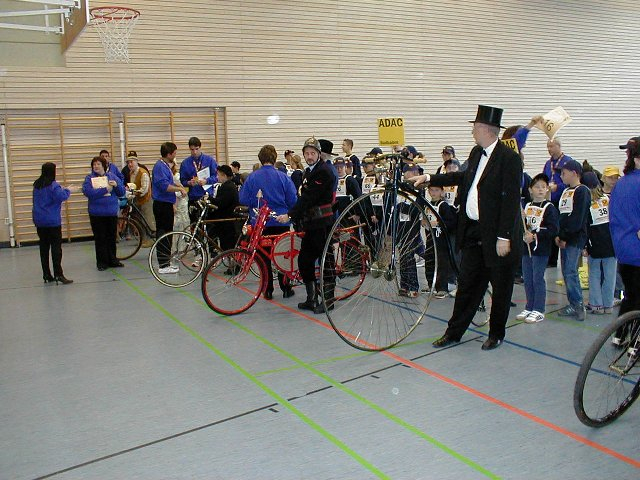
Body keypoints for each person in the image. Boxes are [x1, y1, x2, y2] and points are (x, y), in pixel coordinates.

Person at [413, 105, 523, 350]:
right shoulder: (476, 153)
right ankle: (454, 332)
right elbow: (461, 178)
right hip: (474, 232)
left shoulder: (510, 158)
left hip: (497, 234)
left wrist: (504, 236)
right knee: (467, 286)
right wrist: (430, 178)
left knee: (501, 287)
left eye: (475, 127)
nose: (472, 131)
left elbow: (511, 200)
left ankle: (496, 334)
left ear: (486, 129)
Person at [276, 137, 335, 313]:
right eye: (307, 153)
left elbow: (309, 198)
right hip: (311, 223)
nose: (309, 156)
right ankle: (311, 298)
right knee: (304, 260)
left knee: (326, 261)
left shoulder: (323, 172)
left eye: (312, 153)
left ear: (318, 154)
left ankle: (328, 300)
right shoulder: (309, 172)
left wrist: (290, 215)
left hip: (322, 223)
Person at [241, 145, 298, 299]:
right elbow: (293, 200)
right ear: (274, 158)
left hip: (260, 223)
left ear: (260, 158)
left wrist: (256, 202)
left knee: (263, 258)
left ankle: (267, 289)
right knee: (283, 256)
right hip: (280, 222)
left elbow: (243, 198)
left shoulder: (252, 177)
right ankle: (286, 288)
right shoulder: (283, 177)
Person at [517, 174, 559, 323]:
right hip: (526, 248)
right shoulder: (527, 206)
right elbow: (524, 226)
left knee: (537, 278)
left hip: (541, 250)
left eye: (543, 187)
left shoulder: (550, 208)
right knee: (528, 278)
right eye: (537, 187)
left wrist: (535, 235)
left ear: (547, 189)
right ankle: (529, 306)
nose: (540, 190)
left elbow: (553, 229)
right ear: (530, 190)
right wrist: (522, 222)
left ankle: (539, 309)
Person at [555, 160, 590, 321]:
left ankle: (578, 304)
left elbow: (577, 218)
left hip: (574, 239)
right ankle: (572, 303)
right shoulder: (565, 191)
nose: (561, 176)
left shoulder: (582, 191)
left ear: (574, 173)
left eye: (564, 173)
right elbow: (561, 216)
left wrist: (565, 236)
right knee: (566, 272)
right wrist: (558, 235)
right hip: (564, 238)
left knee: (571, 271)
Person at [609, 137, 640, 324]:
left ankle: (620, 334)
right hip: (636, 250)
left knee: (631, 297)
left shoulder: (621, 183)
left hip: (623, 248)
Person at [32, 162, 78, 284]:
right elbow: (61, 197)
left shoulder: (37, 185)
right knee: (56, 248)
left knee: (44, 247)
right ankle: (58, 274)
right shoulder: (53, 185)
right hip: (52, 221)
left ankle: (46, 274)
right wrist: (68, 190)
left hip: (39, 220)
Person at [581, 171, 616, 315]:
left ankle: (596, 304)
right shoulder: (607, 199)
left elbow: (584, 226)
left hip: (594, 243)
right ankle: (608, 305)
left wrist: (584, 245)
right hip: (611, 242)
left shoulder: (586, 203)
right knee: (610, 275)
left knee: (594, 274)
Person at [82, 156, 125, 271]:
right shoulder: (89, 178)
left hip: (110, 212)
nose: (96, 166)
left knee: (111, 237)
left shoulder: (112, 176)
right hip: (97, 213)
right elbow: (88, 192)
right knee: (100, 238)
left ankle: (113, 259)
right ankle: (102, 262)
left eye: (98, 164)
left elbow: (121, 192)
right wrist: (105, 190)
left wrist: (116, 185)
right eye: (94, 164)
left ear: (104, 166)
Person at [152, 142, 187, 274]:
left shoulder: (165, 166)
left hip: (166, 204)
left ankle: (166, 261)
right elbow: (164, 186)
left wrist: (178, 185)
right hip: (162, 204)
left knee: (167, 233)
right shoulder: (160, 167)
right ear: (169, 154)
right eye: (174, 153)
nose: (175, 156)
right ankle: (163, 264)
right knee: (164, 234)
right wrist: (179, 189)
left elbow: (169, 182)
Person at [542, 137, 574, 267]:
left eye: (551, 146)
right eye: (547, 147)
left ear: (558, 146)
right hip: (551, 200)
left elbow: (571, 181)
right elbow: (544, 178)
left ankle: (565, 258)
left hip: (564, 200)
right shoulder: (548, 163)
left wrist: (558, 187)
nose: (549, 149)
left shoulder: (567, 162)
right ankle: (551, 259)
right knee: (551, 227)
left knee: (562, 227)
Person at [425, 183, 457, 299]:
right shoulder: (427, 205)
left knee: (441, 264)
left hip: (440, 240)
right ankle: (431, 285)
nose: (434, 193)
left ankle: (442, 288)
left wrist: (438, 223)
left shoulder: (443, 206)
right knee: (429, 261)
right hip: (430, 239)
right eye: (432, 190)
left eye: (436, 190)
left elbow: (451, 222)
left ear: (442, 192)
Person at [179, 136, 218, 224]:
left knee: (209, 224)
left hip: (207, 197)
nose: (195, 152)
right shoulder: (185, 163)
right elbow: (183, 181)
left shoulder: (209, 160)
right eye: (192, 150)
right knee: (194, 224)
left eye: (196, 149)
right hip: (194, 197)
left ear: (200, 147)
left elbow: (216, 176)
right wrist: (189, 182)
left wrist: (207, 181)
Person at [208, 165, 241, 252]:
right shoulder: (227, 185)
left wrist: (210, 198)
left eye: (218, 175)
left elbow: (221, 202)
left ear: (224, 175)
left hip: (227, 219)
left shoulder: (228, 187)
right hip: (226, 218)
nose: (217, 177)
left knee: (227, 243)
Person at [125, 153, 155, 247]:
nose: (130, 164)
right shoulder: (131, 173)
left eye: (131, 162)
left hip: (146, 200)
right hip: (138, 200)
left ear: (136, 162)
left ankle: (151, 240)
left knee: (148, 219)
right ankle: (144, 240)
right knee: (140, 221)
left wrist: (133, 193)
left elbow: (144, 190)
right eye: (128, 163)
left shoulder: (143, 173)